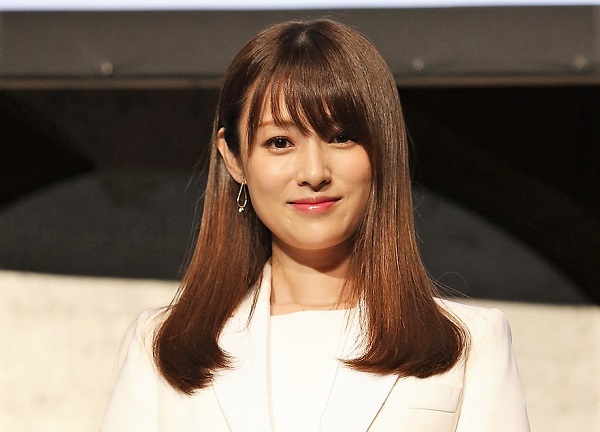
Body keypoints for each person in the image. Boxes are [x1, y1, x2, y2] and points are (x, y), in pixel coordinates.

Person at [101, 19, 530, 432]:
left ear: (382, 148)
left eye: (341, 136)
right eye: (280, 142)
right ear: (234, 158)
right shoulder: (162, 346)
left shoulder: (469, 344)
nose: (313, 172)